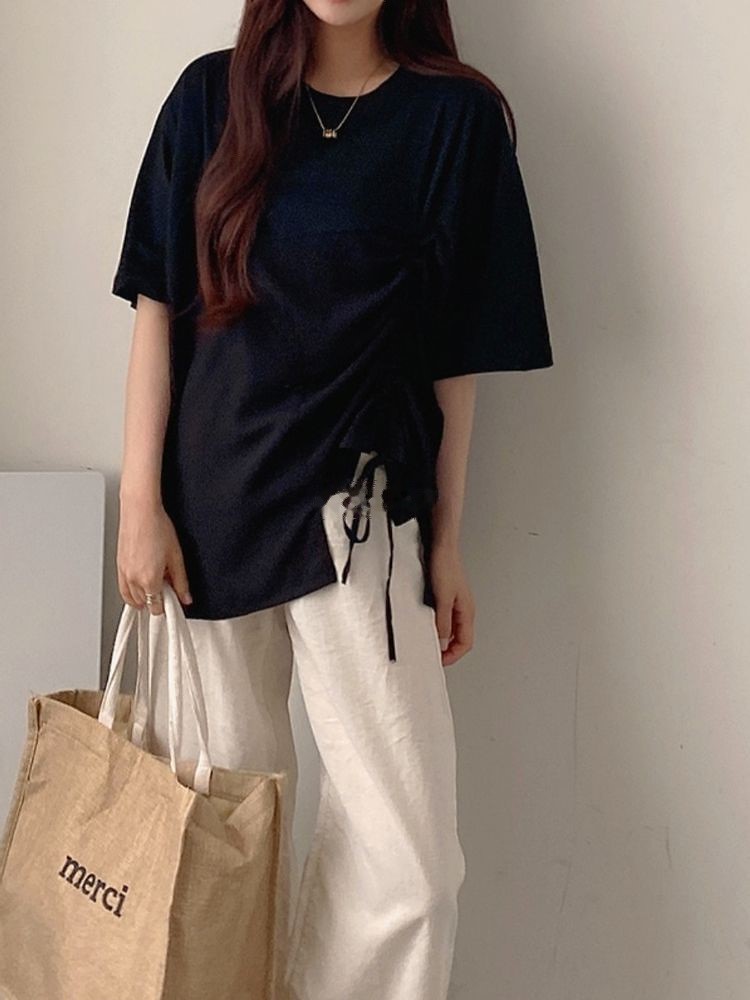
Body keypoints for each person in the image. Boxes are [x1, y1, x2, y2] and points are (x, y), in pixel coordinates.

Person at [111, 1, 553, 998]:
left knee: (412, 870)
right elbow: (156, 309)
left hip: (361, 521)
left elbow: (455, 356)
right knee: (218, 850)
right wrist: (140, 503)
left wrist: (447, 538)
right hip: (204, 525)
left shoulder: (455, 121)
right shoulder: (208, 99)